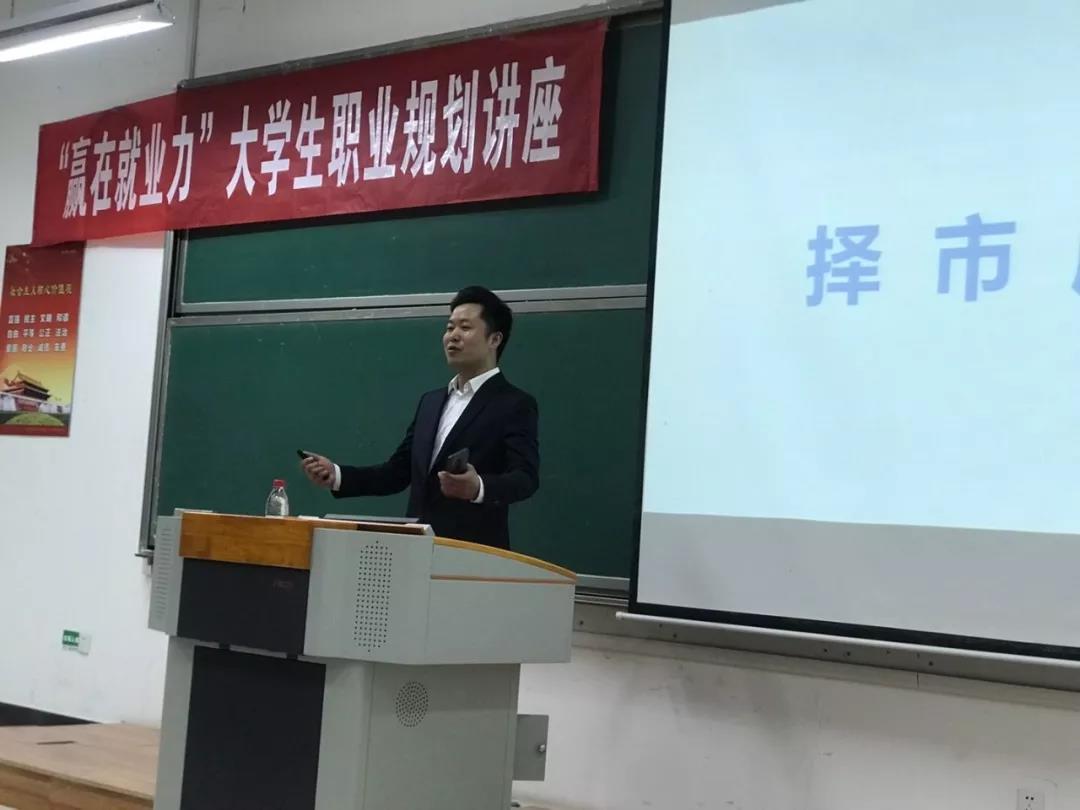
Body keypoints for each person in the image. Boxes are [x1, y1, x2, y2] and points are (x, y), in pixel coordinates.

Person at [301, 286, 539, 549]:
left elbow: (525, 478)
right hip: (416, 550)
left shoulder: (513, 403)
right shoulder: (431, 402)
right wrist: (336, 475)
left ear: (494, 339)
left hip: (473, 553)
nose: (453, 336)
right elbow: (397, 472)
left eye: (465, 327)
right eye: (449, 327)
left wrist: (478, 487)